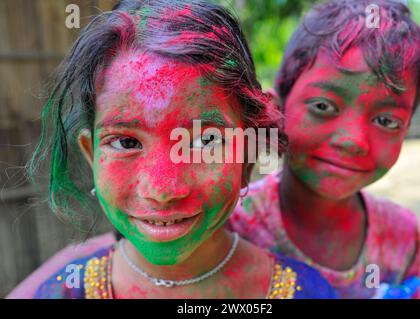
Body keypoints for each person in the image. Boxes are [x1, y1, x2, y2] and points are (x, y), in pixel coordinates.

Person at [8, 0, 336, 299]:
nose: (163, 190)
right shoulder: (60, 292)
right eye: (126, 142)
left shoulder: (307, 293)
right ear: (91, 154)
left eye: (205, 141)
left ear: (246, 156)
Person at [229, 0, 420, 299]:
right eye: (323, 106)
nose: (353, 140)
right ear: (276, 111)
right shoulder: (230, 230)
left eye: (386, 120)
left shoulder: (401, 234)